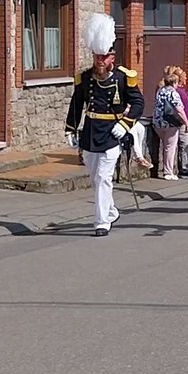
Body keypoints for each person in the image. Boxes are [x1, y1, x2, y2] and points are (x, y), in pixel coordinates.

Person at [64, 12, 145, 238]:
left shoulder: (123, 77)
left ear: (112, 57)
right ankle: (110, 211)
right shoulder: (85, 78)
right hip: (90, 132)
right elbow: (76, 104)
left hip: (112, 133)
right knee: (93, 177)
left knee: (103, 177)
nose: (99, 61)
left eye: (103, 57)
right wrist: (70, 129)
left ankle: (101, 222)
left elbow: (139, 103)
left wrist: (126, 124)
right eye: (96, 57)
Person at [152, 70, 188, 181]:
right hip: (170, 123)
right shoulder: (173, 93)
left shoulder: (160, 91)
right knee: (170, 148)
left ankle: (164, 169)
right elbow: (179, 109)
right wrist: (186, 122)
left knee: (164, 146)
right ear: (174, 83)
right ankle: (168, 172)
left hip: (157, 123)